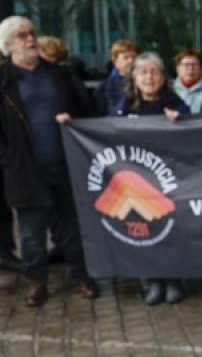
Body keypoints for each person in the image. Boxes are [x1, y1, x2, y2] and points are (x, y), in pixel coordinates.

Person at [0, 16, 97, 307]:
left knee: (72, 227)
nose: (30, 38)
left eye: (31, 32)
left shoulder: (59, 74)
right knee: (31, 234)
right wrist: (8, 159)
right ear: (7, 46)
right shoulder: (3, 81)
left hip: (64, 164)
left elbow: (85, 111)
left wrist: (72, 120)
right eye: (21, 35)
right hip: (24, 170)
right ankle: (36, 283)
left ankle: (83, 276)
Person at [116, 53, 188, 305]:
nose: (149, 77)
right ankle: (153, 281)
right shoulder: (124, 105)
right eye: (143, 72)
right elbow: (106, 134)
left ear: (163, 77)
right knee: (144, 230)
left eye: (154, 72)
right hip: (136, 182)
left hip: (168, 180)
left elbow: (194, 133)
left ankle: (174, 280)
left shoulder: (175, 103)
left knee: (170, 229)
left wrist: (180, 121)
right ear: (134, 77)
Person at [95, 39, 138, 115]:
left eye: (134, 57)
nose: (131, 61)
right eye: (126, 57)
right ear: (115, 61)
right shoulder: (105, 87)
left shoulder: (144, 83)